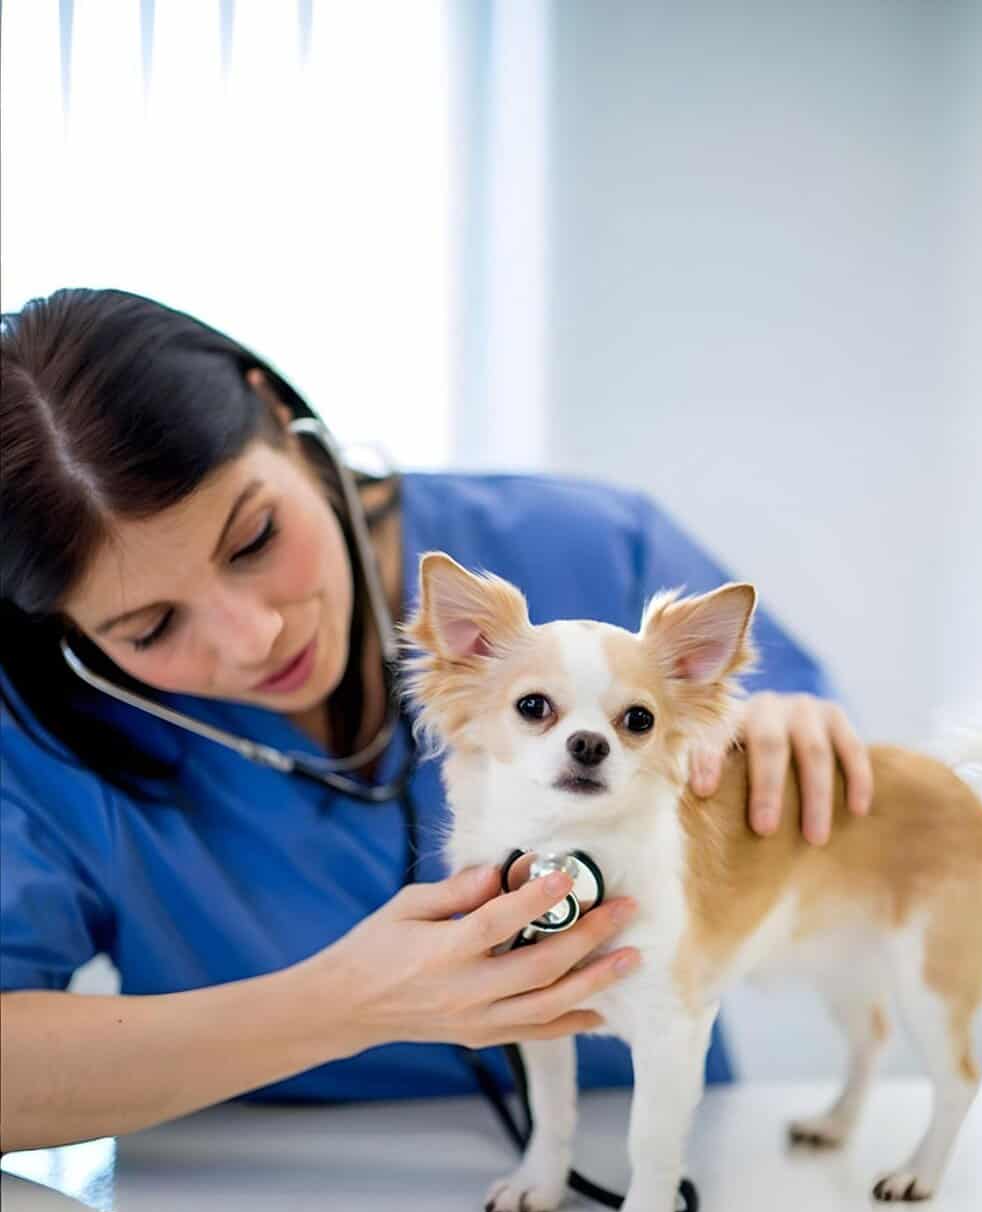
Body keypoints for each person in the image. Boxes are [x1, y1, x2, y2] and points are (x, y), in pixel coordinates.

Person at [0, 289, 873, 1156]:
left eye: (256, 536)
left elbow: (787, 771)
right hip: (260, 1208)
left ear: (276, 414)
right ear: (67, 635)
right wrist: (336, 1007)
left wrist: (792, 735)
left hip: (647, 1166)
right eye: (150, 627)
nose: (255, 635)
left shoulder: (593, 548)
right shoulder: (39, 743)